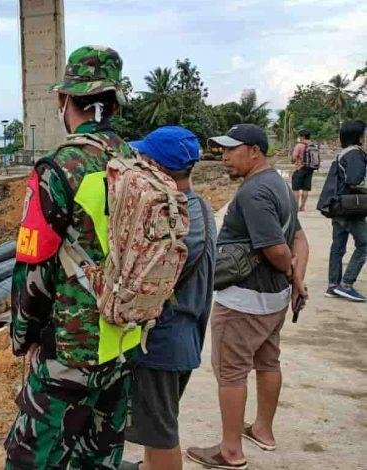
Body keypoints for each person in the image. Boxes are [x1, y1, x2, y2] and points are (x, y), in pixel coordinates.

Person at [4, 45, 137, 469]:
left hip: (70, 347)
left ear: (65, 101)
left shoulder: (59, 168)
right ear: (113, 102)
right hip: (123, 341)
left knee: (32, 457)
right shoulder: (134, 161)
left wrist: (22, 336)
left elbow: (33, 267)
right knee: (99, 457)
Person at [186, 124, 309, 470]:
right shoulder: (278, 184)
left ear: (254, 150)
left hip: (244, 301)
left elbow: (277, 248)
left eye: (230, 150)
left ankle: (229, 451)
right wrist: (296, 280)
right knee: (268, 361)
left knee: (231, 372)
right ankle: (263, 431)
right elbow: (300, 237)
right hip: (273, 300)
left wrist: (289, 269)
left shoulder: (253, 192)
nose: (223, 157)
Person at [121, 126, 216, 470]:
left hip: (161, 344)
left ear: (155, 167)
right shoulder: (201, 207)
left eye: (144, 160)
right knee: (155, 427)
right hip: (183, 337)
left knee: (162, 434)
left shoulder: (171, 220)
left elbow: (141, 284)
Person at [317, 119, 367, 302]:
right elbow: (355, 180)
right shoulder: (355, 154)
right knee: (364, 244)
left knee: (338, 247)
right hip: (351, 208)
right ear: (359, 137)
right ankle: (346, 284)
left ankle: (333, 286)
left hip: (338, 207)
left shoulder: (344, 153)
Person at [290, 130, 315, 211]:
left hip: (300, 168)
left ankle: (296, 207)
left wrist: (293, 160)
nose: (299, 138)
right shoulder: (313, 145)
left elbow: (294, 157)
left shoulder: (299, 145)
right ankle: (302, 206)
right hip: (310, 169)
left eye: (300, 136)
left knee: (296, 188)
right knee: (305, 188)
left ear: (303, 136)